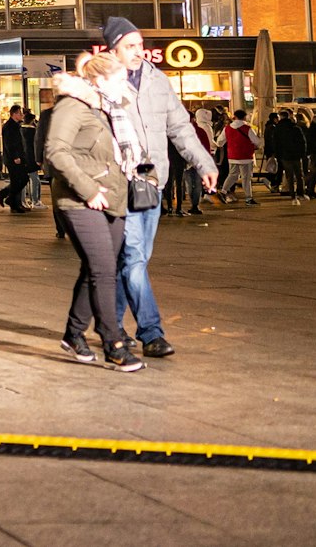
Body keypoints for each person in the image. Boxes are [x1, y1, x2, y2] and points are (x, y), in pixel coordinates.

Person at [100, 19, 219, 360]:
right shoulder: (104, 86)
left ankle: (112, 326)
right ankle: (151, 332)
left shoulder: (158, 80)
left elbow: (180, 127)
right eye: (129, 46)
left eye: (139, 44)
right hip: (122, 183)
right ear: (113, 50)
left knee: (133, 259)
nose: (138, 52)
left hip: (155, 182)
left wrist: (205, 163)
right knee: (134, 257)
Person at [44, 56, 143, 372]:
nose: (123, 85)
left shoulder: (107, 109)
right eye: (119, 78)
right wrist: (88, 190)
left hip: (112, 197)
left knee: (97, 268)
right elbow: (55, 153)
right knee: (102, 270)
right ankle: (112, 342)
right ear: (99, 80)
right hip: (80, 200)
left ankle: (74, 334)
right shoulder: (73, 105)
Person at [0, 104, 34, 211]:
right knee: (21, 179)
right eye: (19, 113)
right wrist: (15, 156)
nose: (22, 115)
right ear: (14, 114)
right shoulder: (9, 126)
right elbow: (10, 143)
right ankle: (6, 196)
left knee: (17, 180)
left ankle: (13, 202)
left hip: (17, 157)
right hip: (13, 159)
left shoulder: (16, 125)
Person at [220, 107, 259, 204]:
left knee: (232, 175)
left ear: (235, 117)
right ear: (244, 117)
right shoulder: (247, 128)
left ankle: (223, 191)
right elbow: (257, 141)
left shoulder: (227, 128)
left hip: (232, 156)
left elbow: (220, 142)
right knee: (246, 178)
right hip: (245, 156)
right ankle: (248, 198)